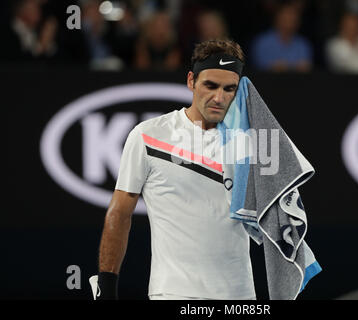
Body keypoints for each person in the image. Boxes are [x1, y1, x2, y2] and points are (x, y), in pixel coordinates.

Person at [94, 39, 256, 300]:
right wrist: (106, 287)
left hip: (241, 295)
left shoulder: (251, 142)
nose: (219, 97)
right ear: (191, 81)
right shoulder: (148, 136)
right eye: (210, 86)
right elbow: (120, 212)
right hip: (173, 292)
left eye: (229, 89)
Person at [250, 0, 313, 72]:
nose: (290, 20)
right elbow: (261, 68)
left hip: (298, 82)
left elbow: (305, 68)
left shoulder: (303, 44)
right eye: (286, 16)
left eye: (293, 17)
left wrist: (286, 67)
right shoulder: (262, 42)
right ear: (277, 18)